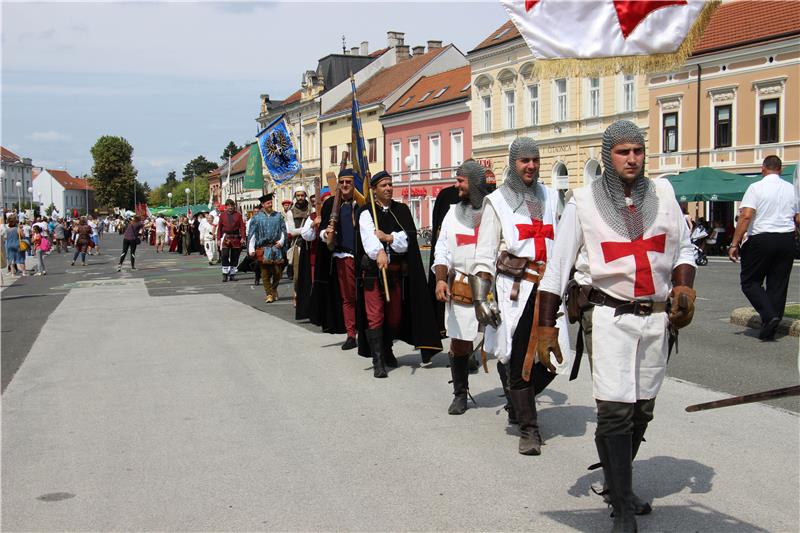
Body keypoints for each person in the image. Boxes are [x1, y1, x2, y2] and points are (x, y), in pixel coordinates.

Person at [537, 120, 696, 532]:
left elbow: (683, 247)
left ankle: (614, 482)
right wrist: (545, 326)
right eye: (623, 152)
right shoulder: (583, 201)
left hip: (657, 318)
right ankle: (622, 505)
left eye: (638, 151)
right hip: (608, 317)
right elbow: (558, 266)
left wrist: (683, 286)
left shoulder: (663, 192)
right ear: (609, 156)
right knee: (613, 411)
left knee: (642, 408)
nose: (632, 158)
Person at [469, 137, 567, 456]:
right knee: (522, 357)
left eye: (535, 160)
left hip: (550, 288)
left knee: (553, 356)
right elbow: (484, 255)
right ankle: (529, 427)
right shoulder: (497, 201)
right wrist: (481, 297)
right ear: (514, 164)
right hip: (517, 290)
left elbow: (565, 243)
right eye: (525, 160)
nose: (531, 166)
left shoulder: (552, 197)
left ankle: (514, 392)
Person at [355, 170, 442, 378]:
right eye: (383, 186)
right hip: (373, 275)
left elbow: (407, 240)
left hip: (395, 275)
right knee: (375, 316)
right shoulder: (367, 212)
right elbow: (368, 237)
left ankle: (387, 348)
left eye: (390, 185)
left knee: (394, 317)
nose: (388, 188)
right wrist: (378, 252)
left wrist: (388, 237)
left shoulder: (401, 210)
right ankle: (378, 360)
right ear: (374, 190)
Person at [432, 161, 492, 414]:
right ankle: (460, 394)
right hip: (462, 286)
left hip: (493, 285)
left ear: (475, 182)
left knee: (503, 345)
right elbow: (442, 249)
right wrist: (441, 279)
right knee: (459, 342)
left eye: (460, 180)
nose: (456, 185)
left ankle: (514, 399)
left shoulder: (494, 210)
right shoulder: (452, 213)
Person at [728, 155, 799, 340]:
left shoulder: (756, 187)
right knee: (778, 283)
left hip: (762, 237)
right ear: (780, 170)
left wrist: (734, 243)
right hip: (786, 239)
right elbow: (798, 218)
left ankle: (769, 316)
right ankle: (770, 328)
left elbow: (746, 216)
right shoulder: (792, 189)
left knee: (750, 281)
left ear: (763, 169)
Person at [314, 169, 361, 349]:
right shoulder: (332, 206)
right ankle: (351, 334)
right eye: (341, 182)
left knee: (364, 297)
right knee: (347, 298)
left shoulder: (363, 205)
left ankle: (368, 332)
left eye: (348, 182)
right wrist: (327, 234)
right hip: (343, 257)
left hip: (363, 257)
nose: (344, 185)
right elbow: (322, 235)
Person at [248, 194, 287, 303]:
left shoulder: (278, 216)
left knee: (278, 272)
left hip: (275, 248)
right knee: (264, 273)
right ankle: (269, 294)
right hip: (263, 248)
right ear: (263, 205)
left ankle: (273, 289)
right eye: (268, 203)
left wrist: (281, 241)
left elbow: (283, 230)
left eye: (271, 202)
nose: (270, 205)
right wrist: (251, 248)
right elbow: (252, 234)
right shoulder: (256, 218)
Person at [286, 185, 311, 286]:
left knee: (309, 273)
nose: (300, 197)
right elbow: (292, 232)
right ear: (295, 196)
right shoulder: (290, 212)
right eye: (298, 195)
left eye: (302, 195)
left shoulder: (311, 210)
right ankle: (297, 295)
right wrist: (307, 229)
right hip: (298, 244)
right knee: (297, 275)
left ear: (305, 195)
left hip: (310, 244)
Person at [217, 199, 246, 282]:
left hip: (236, 237)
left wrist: (243, 238)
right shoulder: (222, 215)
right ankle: (225, 274)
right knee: (224, 255)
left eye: (232, 206)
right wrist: (218, 239)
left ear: (234, 206)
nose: (230, 207)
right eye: (228, 206)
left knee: (235, 257)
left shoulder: (238, 215)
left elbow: (242, 227)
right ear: (226, 206)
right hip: (226, 237)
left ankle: (232, 274)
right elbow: (219, 228)